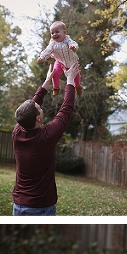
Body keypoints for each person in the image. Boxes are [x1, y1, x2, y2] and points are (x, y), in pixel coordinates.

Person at [12, 62, 79, 216]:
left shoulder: (17, 131)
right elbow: (66, 109)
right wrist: (70, 81)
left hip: (19, 206)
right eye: (39, 109)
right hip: (42, 208)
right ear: (38, 119)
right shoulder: (46, 137)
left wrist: (48, 80)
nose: (40, 107)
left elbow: (29, 108)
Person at [37, 21, 83, 96]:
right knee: (54, 73)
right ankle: (55, 88)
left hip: (71, 61)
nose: (54, 34)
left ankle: (77, 86)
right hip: (60, 62)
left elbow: (73, 43)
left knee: (76, 74)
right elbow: (48, 50)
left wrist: (73, 48)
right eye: (52, 33)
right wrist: (42, 57)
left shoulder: (67, 39)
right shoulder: (52, 43)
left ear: (64, 32)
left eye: (57, 32)